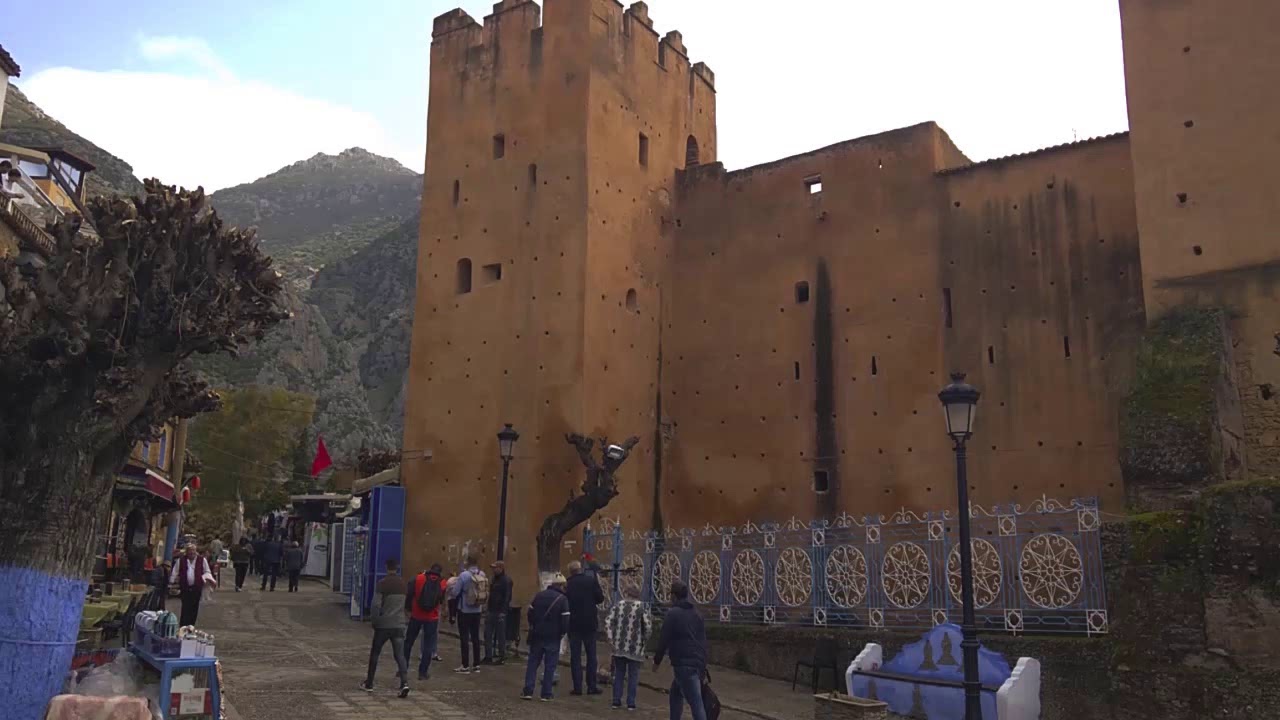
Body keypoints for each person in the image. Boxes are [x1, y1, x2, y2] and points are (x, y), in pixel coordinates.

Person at [654, 580, 709, 720]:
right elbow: (703, 641)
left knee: (696, 703)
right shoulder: (697, 614)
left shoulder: (673, 614)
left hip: (684, 664)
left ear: (673, 596)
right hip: (697, 662)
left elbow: (664, 639)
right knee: (675, 694)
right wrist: (703, 663)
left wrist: (657, 661)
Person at [361, 557, 411, 698]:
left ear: (386, 567)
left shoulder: (382, 584)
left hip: (383, 625)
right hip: (399, 624)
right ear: (397, 567)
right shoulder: (403, 585)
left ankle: (369, 683)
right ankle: (405, 683)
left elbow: (376, 605)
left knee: (375, 653)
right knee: (400, 655)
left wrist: (374, 621)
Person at [521, 573, 570, 702]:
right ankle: (546, 693)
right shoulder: (562, 599)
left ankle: (528, 691)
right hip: (553, 636)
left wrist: (534, 625)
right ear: (561, 585)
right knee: (550, 665)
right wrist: (561, 633)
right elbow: (565, 621)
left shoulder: (539, 595)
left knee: (533, 663)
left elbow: (530, 613)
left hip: (537, 634)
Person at [605, 583, 653, 710]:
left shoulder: (618, 605)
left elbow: (608, 622)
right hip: (635, 648)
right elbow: (648, 627)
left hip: (619, 646)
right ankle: (631, 703)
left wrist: (610, 638)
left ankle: (616, 701)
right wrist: (644, 639)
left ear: (626, 593)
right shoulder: (642, 607)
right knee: (633, 676)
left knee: (619, 674)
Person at [565, 560, 605, 695]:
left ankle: (577, 687)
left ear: (570, 571)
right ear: (580, 569)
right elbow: (600, 598)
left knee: (575, 657)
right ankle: (591, 686)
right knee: (591, 656)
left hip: (574, 624)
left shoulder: (568, 584)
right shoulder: (590, 581)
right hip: (589, 623)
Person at [404, 563, 446, 680]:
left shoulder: (418, 578)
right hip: (432, 618)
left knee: (408, 642)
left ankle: (403, 668)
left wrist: (408, 609)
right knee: (428, 646)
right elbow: (441, 600)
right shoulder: (442, 582)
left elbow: (409, 594)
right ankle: (423, 673)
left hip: (416, 615)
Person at [449, 557, 488, 673]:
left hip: (464, 610)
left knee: (464, 638)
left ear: (467, 563)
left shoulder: (464, 575)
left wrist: (451, 588)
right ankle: (476, 664)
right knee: (476, 637)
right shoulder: (482, 573)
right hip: (477, 609)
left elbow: (455, 592)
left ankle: (465, 665)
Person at [169, 543, 215, 627]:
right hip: (185, 587)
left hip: (196, 587)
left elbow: (207, 571)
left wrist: (206, 578)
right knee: (185, 607)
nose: (192, 553)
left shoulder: (202, 560)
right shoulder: (181, 560)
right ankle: (183, 626)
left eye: (193, 551)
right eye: (190, 551)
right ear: (186, 552)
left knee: (194, 607)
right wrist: (171, 582)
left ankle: (191, 626)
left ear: (196, 551)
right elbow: (175, 571)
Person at [481, 560, 513, 665]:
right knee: (487, 634)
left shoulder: (506, 581)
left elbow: (507, 596)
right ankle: (488, 656)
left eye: (495, 568)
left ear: (501, 568)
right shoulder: (494, 579)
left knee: (500, 635)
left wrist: (503, 611)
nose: (493, 570)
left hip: (500, 611)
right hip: (491, 610)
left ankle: (501, 656)